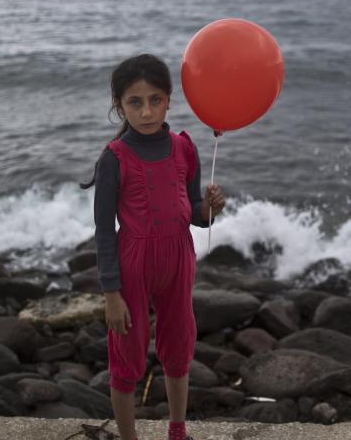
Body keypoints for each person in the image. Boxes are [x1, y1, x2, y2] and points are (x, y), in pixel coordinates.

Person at [81, 53, 225, 440]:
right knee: (127, 357)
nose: (147, 111)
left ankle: (177, 430)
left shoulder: (183, 148)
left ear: (169, 99)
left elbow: (191, 212)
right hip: (133, 264)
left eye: (155, 100)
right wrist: (111, 293)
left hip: (179, 258)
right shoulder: (114, 159)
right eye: (135, 102)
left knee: (179, 347)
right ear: (119, 105)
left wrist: (208, 210)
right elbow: (103, 230)